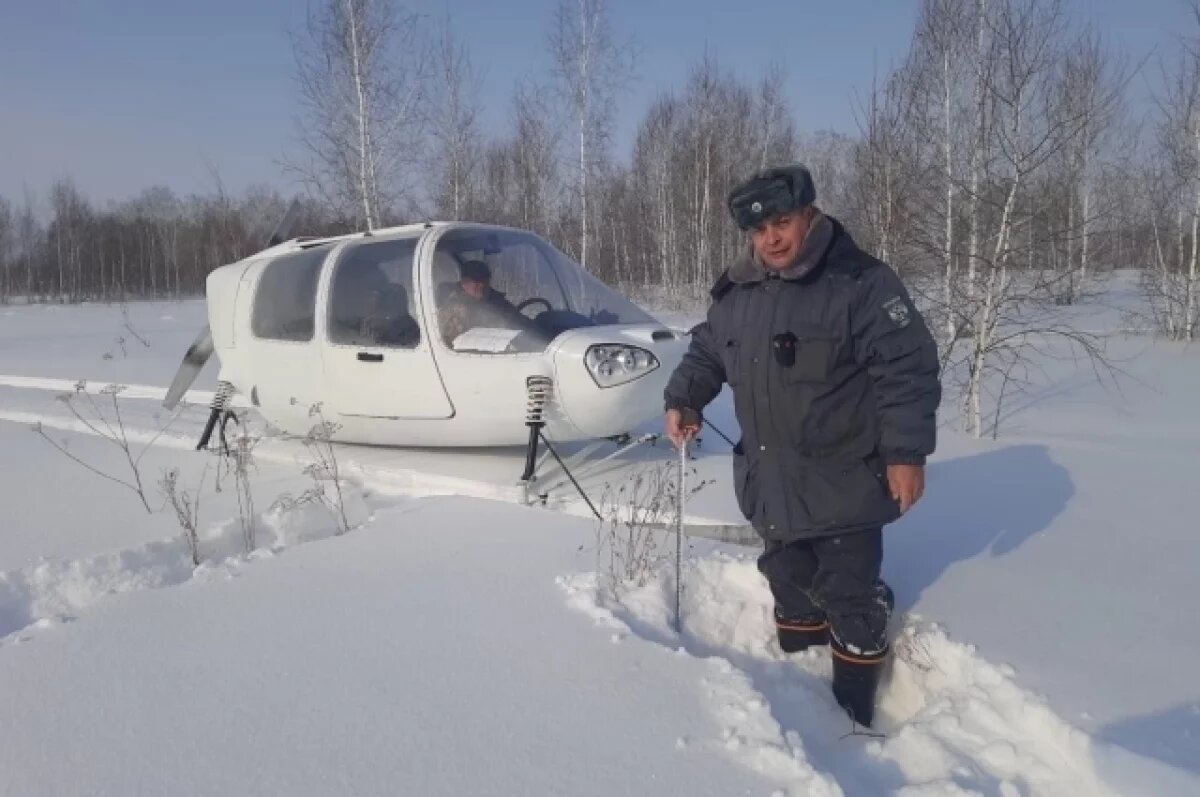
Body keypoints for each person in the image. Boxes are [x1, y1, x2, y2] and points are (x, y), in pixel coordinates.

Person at [662, 164, 941, 728]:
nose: (772, 238)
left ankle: (851, 723)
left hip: (846, 483)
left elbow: (907, 369)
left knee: (849, 600)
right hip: (773, 485)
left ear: (809, 214)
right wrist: (684, 400)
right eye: (760, 230)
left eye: (783, 222)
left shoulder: (860, 283)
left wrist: (906, 455)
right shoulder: (737, 292)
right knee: (790, 592)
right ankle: (800, 708)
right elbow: (707, 352)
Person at [437, 259, 536, 347]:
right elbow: (448, 344)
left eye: (485, 281)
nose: (481, 285)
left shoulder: (496, 302)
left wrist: (537, 330)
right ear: (464, 282)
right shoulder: (452, 308)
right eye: (476, 281)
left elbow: (519, 321)